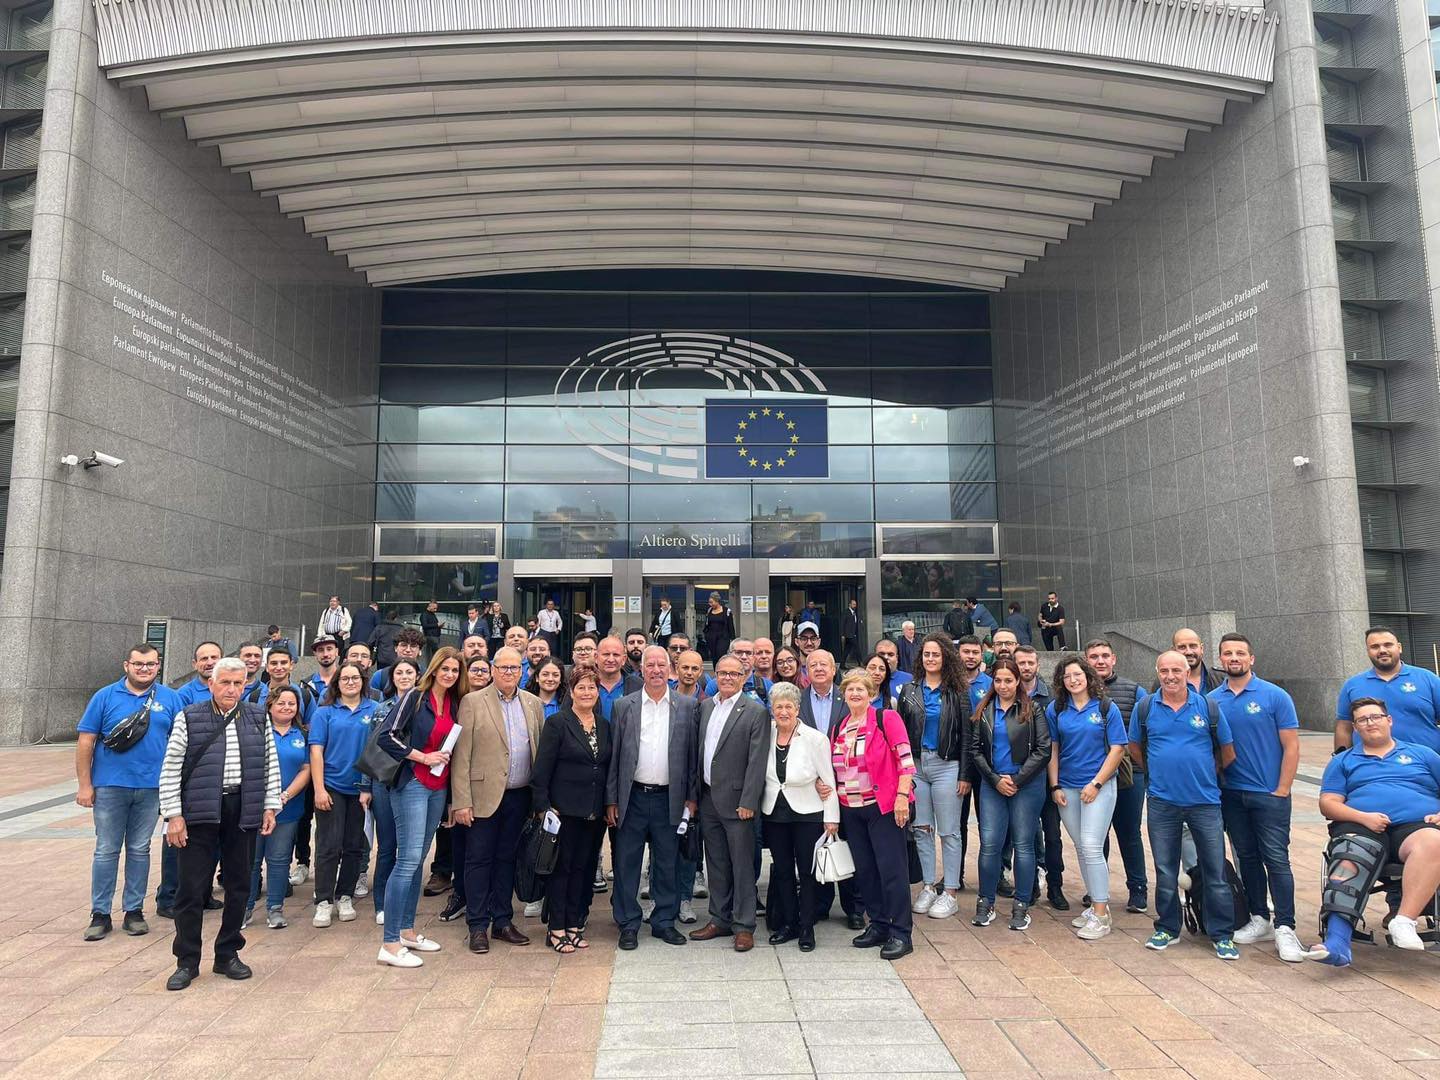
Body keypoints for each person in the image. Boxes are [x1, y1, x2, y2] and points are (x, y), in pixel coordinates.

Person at [158, 658, 280, 990]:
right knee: (191, 889)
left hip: (242, 808)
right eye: (225, 682)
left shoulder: (257, 717)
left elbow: (269, 763)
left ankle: (227, 953)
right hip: (198, 810)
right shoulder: (189, 717)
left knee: (240, 884)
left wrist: (270, 806)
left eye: (238, 683)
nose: (231, 689)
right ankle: (187, 960)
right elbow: (170, 769)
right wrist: (173, 815)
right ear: (211, 683)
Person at [1311, 697, 1440, 965]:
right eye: (1362, 720)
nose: (1370, 723)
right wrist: (1364, 818)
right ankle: (1337, 943)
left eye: (1375, 717)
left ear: (1389, 720)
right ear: (1355, 728)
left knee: (1434, 841)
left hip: (1416, 827)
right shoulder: (1343, 761)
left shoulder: (1423, 754)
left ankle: (1403, 921)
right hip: (1361, 824)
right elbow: (1328, 803)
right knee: (1351, 852)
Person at [1130, 650, 1239, 959]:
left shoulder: (1208, 707)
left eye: (1176, 670)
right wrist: (1159, 773)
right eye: (1164, 671)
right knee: (1165, 871)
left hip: (1205, 802)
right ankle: (1167, 927)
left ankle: (1222, 934)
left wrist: (1203, 773)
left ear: (1187, 671)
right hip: (1163, 802)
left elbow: (1227, 753)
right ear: (1157, 673)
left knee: (1215, 870)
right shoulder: (1146, 707)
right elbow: (1135, 749)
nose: (1170, 676)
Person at [77, 643, 184, 940]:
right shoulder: (104, 696)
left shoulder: (170, 698)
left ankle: (133, 911)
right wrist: (85, 785)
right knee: (106, 850)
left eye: (150, 664)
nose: (144, 669)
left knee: (139, 849)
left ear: (158, 665)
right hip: (110, 786)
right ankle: (100, 913)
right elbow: (86, 741)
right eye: (138, 664)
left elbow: (181, 744)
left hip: (152, 788)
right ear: (127, 665)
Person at [1210, 633, 1305, 962]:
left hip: (1269, 793)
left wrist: (1283, 788)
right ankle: (1259, 917)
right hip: (1232, 795)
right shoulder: (1212, 700)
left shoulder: (1275, 696)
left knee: (1276, 859)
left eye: (1240, 653)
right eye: (1227, 653)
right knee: (1246, 858)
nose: (1233, 658)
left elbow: (1291, 745)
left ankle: (1286, 926)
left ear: (1252, 659)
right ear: (1220, 660)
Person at [371, 648, 465, 967]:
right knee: (407, 860)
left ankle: (408, 932)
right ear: (435, 668)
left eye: (455, 670)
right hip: (412, 783)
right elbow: (387, 737)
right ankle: (389, 943)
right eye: (445, 668)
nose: (450, 674)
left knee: (419, 859)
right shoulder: (415, 696)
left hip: (438, 789)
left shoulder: (454, 702)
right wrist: (422, 757)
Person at [607, 645, 701, 950]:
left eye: (662, 665)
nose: (657, 670)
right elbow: (615, 756)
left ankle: (663, 921)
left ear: (670, 669)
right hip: (632, 796)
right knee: (626, 862)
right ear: (642, 669)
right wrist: (612, 799)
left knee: (667, 862)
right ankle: (628, 923)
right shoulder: (625, 706)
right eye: (651, 665)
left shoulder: (687, 706)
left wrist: (691, 797)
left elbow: (692, 757)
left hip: (669, 798)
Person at [451, 646, 544, 953]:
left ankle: (502, 920)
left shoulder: (533, 703)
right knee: (479, 859)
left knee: (507, 859)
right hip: (482, 797)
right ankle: (477, 925)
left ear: (523, 671)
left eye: (514, 668)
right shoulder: (472, 702)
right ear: (492, 669)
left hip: (519, 797)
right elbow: (461, 756)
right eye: (503, 668)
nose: (508, 673)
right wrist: (461, 801)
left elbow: (538, 752)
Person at [833, 668, 916, 960]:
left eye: (861, 689)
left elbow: (905, 762)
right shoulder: (840, 726)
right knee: (866, 871)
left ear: (871, 693)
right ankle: (878, 925)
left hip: (883, 807)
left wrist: (902, 797)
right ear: (843, 693)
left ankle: (901, 933)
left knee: (891, 871)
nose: (855, 693)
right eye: (850, 689)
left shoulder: (886, 719)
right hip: (851, 810)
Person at [691, 652, 770, 952]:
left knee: (742, 866)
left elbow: (757, 760)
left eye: (733, 674)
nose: (726, 678)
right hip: (709, 798)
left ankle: (744, 925)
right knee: (717, 864)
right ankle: (719, 919)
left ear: (743, 677)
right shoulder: (706, 707)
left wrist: (749, 800)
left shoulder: (754, 711)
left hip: (739, 802)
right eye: (721, 673)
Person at [532, 665, 613, 953]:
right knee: (562, 870)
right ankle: (556, 928)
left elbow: (604, 766)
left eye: (592, 687)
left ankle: (576, 923)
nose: (587, 692)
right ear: (571, 691)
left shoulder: (603, 725)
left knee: (584, 868)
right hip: (563, 812)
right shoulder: (558, 723)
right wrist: (543, 808)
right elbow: (541, 770)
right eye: (581, 687)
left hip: (593, 813)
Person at [1046, 656, 1126, 939]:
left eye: (1077, 674)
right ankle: (1095, 905)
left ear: (1088, 676)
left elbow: (1117, 749)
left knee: (1092, 845)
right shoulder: (1056, 709)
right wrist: (1055, 786)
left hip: (1098, 787)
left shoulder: (1106, 708)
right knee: (1081, 846)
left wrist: (1096, 783)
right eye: (1066, 676)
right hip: (1067, 787)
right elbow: (1053, 749)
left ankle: (1102, 914)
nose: (1073, 680)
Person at [970, 659, 1050, 931]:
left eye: (1008, 680)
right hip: (993, 785)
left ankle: (1021, 905)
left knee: (1024, 844)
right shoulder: (984, 710)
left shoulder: (1033, 709)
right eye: (998, 680)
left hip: (1025, 785)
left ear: (1018, 682)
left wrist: (1016, 779)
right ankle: (986, 901)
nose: (1003, 686)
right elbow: (975, 751)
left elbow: (1043, 750)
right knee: (990, 843)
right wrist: (994, 779)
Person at [763, 682, 840, 951]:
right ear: (771, 710)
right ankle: (789, 924)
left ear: (797, 709)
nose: (783, 711)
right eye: (778, 707)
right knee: (783, 871)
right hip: (774, 812)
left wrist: (832, 818)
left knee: (807, 873)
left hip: (807, 813)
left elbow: (827, 781)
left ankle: (807, 927)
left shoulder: (815, 738)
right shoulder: (766, 734)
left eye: (788, 706)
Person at [896, 634, 968, 920]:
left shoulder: (957, 691)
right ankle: (928, 885)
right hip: (917, 766)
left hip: (947, 765)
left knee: (949, 830)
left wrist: (965, 773)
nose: (930, 659)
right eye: (926, 654)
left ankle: (949, 891)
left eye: (936, 654)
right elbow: (900, 734)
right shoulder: (909, 691)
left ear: (945, 657)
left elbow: (967, 736)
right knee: (922, 828)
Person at [308, 662, 380, 928]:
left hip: (361, 789)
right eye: (345, 678)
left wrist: (368, 787)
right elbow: (316, 751)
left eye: (356, 678)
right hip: (331, 787)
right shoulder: (324, 713)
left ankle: (345, 895)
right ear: (336, 683)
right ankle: (324, 901)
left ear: (364, 681)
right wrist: (318, 789)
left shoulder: (373, 710)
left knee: (354, 845)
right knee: (328, 845)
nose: (350, 682)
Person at [1082, 639, 1146, 914]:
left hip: (1129, 775)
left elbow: (1148, 729)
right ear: (1086, 660)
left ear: (1114, 659)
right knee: (1097, 835)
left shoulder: (1134, 691)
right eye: (1094, 656)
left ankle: (1138, 889)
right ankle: (1098, 890)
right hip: (1093, 776)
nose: (1100, 661)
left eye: (1105, 656)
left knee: (1129, 832)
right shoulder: (1078, 691)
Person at [246, 686, 310, 931]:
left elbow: (306, 769)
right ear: (270, 705)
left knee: (280, 859)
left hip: (288, 807)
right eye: (281, 703)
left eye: (291, 703)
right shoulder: (256, 732)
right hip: (255, 806)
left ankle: (275, 909)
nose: (286, 707)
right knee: (251, 860)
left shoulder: (302, 734)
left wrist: (284, 796)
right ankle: (246, 907)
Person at [1335, 625, 1440, 754]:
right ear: (1367, 651)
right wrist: (1340, 760)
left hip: (1425, 766)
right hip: (1371, 766)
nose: (1382, 650)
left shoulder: (1428, 679)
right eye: (1375, 647)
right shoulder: (1352, 685)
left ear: (1399, 647)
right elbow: (1344, 728)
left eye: (1388, 645)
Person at [371, 628, 424, 695]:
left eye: (413, 646)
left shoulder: (428, 676)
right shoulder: (380, 676)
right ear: (395, 648)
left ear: (420, 650)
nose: (408, 650)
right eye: (403, 645)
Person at [175, 642, 223, 707]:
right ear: (195, 664)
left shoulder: (234, 689)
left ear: (223, 660)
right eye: (204, 659)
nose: (210, 663)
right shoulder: (184, 694)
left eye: (214, 657)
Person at [702, 593, 736, 663]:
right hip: (711, 637)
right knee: (714, 656)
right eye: (709, 602)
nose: (710, 604)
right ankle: (716, 672)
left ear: (717, 601)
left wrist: (732, 638)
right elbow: (707, 623)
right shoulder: (709, 611)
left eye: (712, 602)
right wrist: (706, 634)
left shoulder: (727, 611)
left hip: (723, 637)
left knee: (720, 654)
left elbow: (730, 625)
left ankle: (722, 670)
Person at [841, 599, 863, 667]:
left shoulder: (854, 613)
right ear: (849, 605)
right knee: (857, 648)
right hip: (848, 635)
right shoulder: (846, 612)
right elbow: (842, 623)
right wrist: (843, 634)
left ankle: (842, 664)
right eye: (853, 604)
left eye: (855, 604)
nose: (855, 606)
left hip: (853, 634)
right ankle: (860, 662)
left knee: (846, 650)